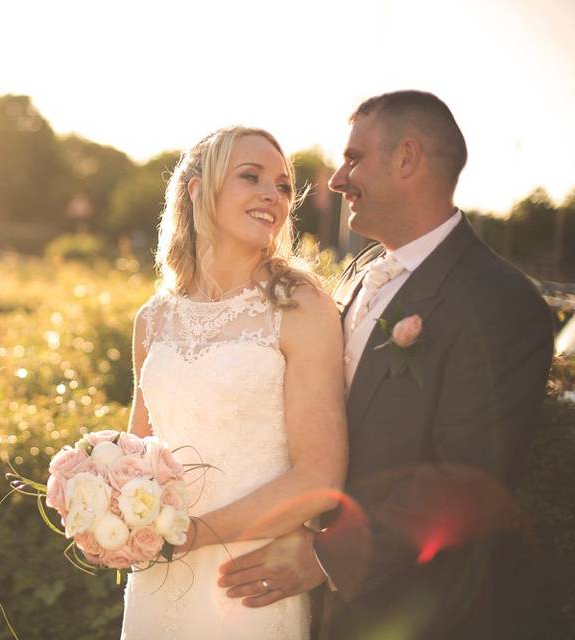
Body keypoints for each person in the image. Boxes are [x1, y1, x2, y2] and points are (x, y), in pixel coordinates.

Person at [216, 91, 555, 639]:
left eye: (354, 159)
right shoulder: (361, 273)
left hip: (425, 611)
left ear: (406, 159)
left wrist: (325, 558)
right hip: (326, 608)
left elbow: (466, 482)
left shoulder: (502, 303)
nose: (335, 179)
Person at [121, 126, 348, 639]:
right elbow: (136, 457)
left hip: (250, 578)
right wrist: (104, 510)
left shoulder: (301, 305)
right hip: (157, 575)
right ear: (198, 189)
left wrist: (191, 536)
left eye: (285, 186)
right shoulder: (152, 319)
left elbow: (319, 477)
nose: (273, 194)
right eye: (252, 177)